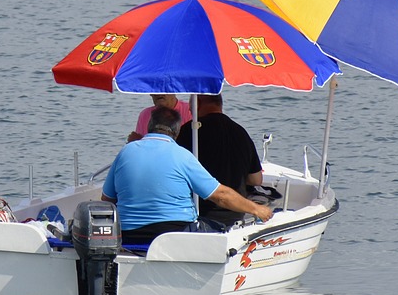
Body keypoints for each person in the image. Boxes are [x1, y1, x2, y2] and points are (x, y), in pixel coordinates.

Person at [103, 106, 272, 245]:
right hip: (175, 235)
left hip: (128, 235)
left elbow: (107, 199)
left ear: (149, 126)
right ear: (177, 132)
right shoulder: (182, 155)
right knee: (221, 229)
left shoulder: (125, 152)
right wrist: (256, 209)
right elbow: (220, 196)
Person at [177, 94, 263, 224]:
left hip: (200, 213)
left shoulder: (190, 131)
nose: (190, 111)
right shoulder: (241, 132)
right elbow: (256, 179)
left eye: (190, 108)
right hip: (236, 213)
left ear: (197, 103)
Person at [126, 94, 191, 143]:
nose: (159, 93)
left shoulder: (190, 111)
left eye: (164, 88)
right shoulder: (145, 114)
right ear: (150, 94)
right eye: (155, 89)